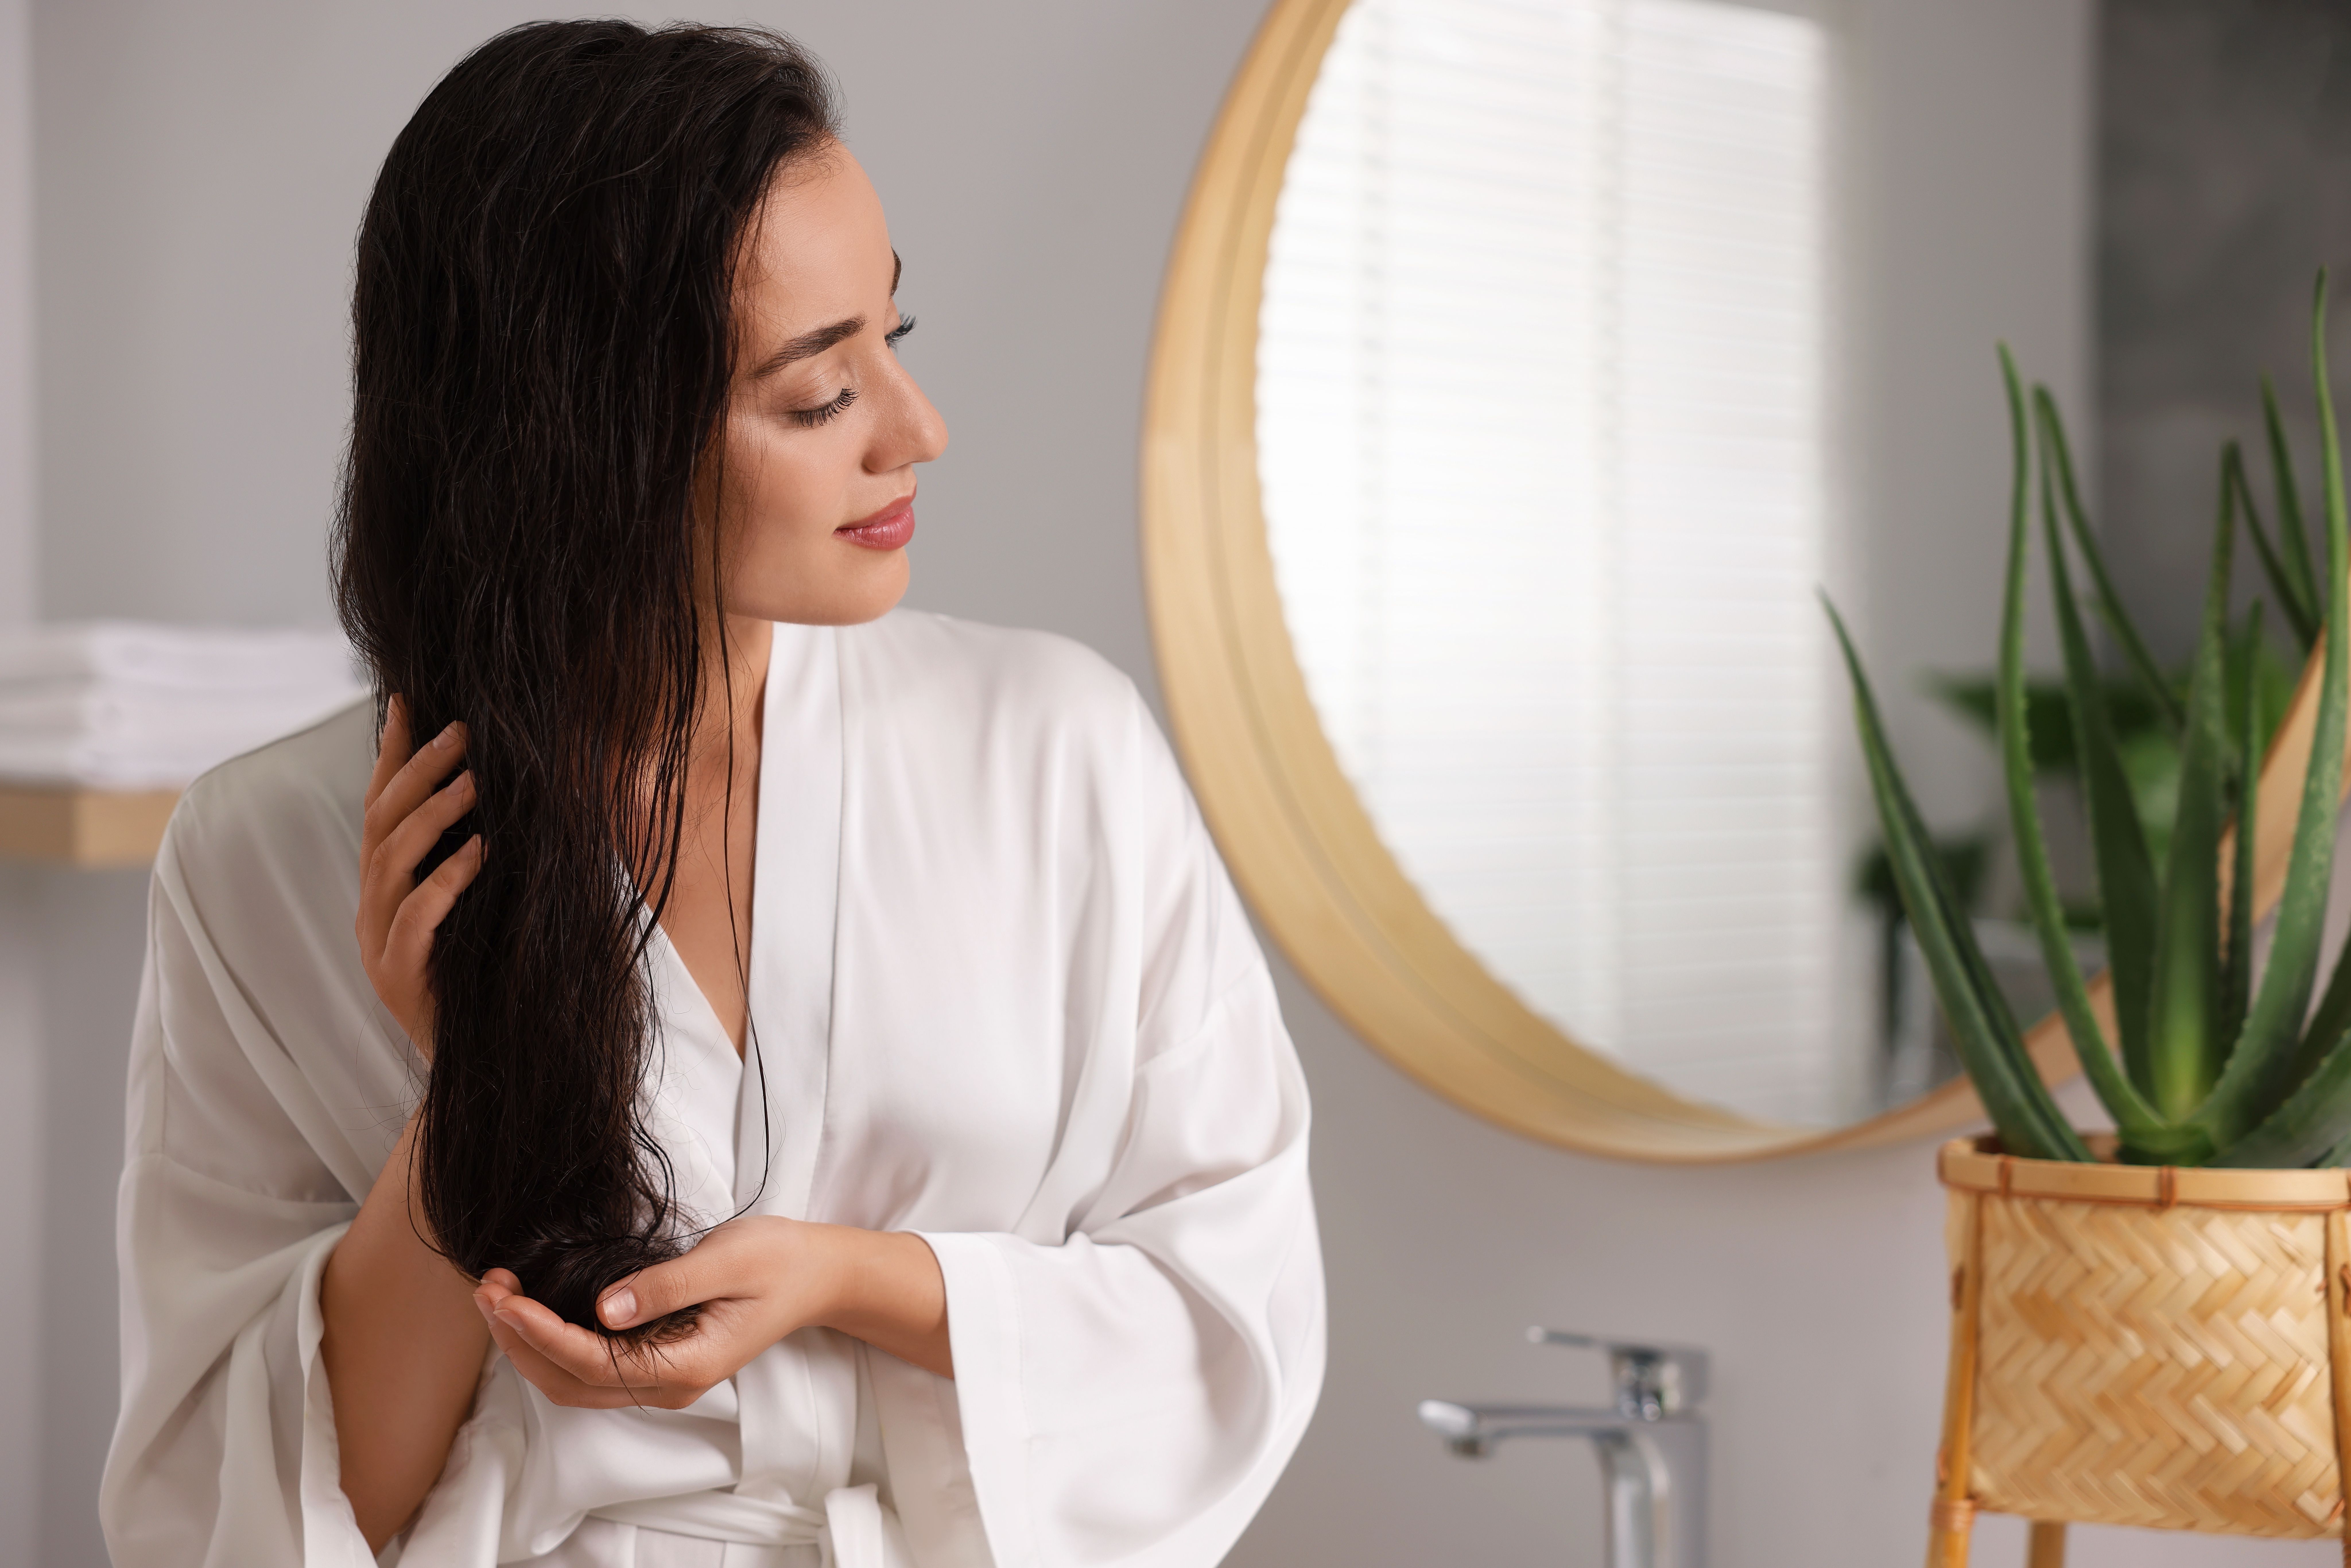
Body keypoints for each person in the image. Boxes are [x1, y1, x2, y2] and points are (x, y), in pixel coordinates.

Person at [99, 21, 1323, 1568]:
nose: (915, 430)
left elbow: (1237, 1312)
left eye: (896, 334)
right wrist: (472, 1094)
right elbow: (269, 1505)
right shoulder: (264, 856)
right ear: (582, 448)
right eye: (821, 397)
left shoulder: (1059, 753)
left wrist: (851, 1279)